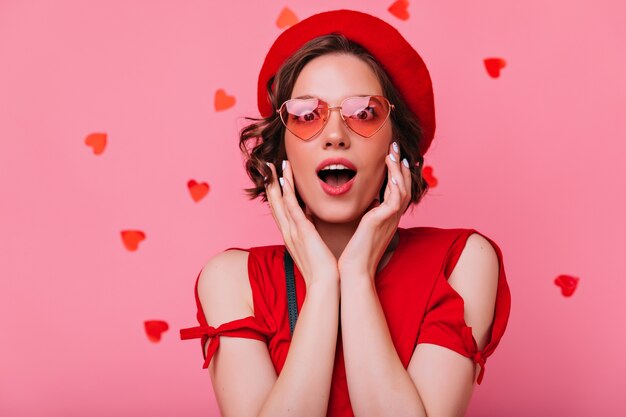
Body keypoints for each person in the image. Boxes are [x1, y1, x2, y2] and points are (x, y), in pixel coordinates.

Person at [180, 9, 511, 417]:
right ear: (281, 149)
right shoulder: (232, 280)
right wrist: (321, 283)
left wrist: (355, 275)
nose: (335, 135)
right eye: (306, 115)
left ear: (398, 145)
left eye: (363, 113)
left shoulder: (461, 262)